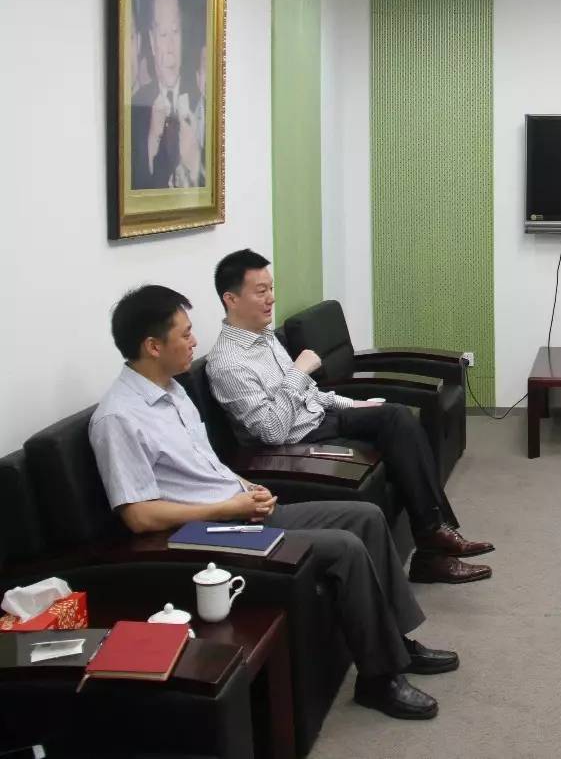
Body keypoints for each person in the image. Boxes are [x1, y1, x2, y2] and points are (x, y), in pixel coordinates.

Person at [89, 286, 450, 720]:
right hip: (205, 532)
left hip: (240, 509)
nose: (194, 342)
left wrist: (247, 487)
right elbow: (139, 515)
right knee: (345, 547)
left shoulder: (173, 391)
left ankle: (398, 645)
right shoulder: (119, 418)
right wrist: (227, 509)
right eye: (184, 334)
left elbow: (205, 468)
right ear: (152, 346)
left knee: (366, 517)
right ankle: (378, 679)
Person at [205, 249, 492, 584]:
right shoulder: (227, 363)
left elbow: (310, 394)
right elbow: (272, 430)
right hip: (292, 444)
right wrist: (298, 371)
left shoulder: (264, 337)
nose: (271, 298)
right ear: (231, 299)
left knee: (398, 418)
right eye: (260, 291)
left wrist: (352, 405)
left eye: (271, 288)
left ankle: (433, 539)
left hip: (319, 419)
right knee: (396, 426)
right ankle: (433, 542)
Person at [130, 0, 202, 190]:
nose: (171, 47)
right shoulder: (136, 106)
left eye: (175, 32)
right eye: (163, 34)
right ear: (152, 42)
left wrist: (196, 162)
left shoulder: (202, 95)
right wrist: (153, 139)